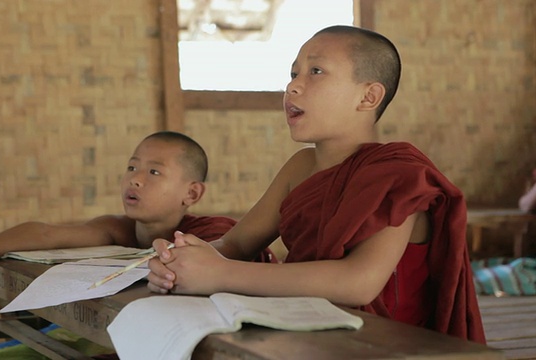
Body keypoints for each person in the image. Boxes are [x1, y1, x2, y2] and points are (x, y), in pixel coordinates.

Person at [147, 25, 486, 344]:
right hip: (306, 330)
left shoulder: (398, 176)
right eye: (293, 74)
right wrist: (181, 260)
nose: (293, 86)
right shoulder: (301, 166)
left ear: (368, 97)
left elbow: (359, 283)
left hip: (381, 345)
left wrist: (221, 274)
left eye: (316, 72)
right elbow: (235, 245)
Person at [0, 131, 247, 309]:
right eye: (132, 167)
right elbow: (46, 235)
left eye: (154, 172)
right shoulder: (118, 229)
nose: (135, 179)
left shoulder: (212, 233)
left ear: (191, 194)